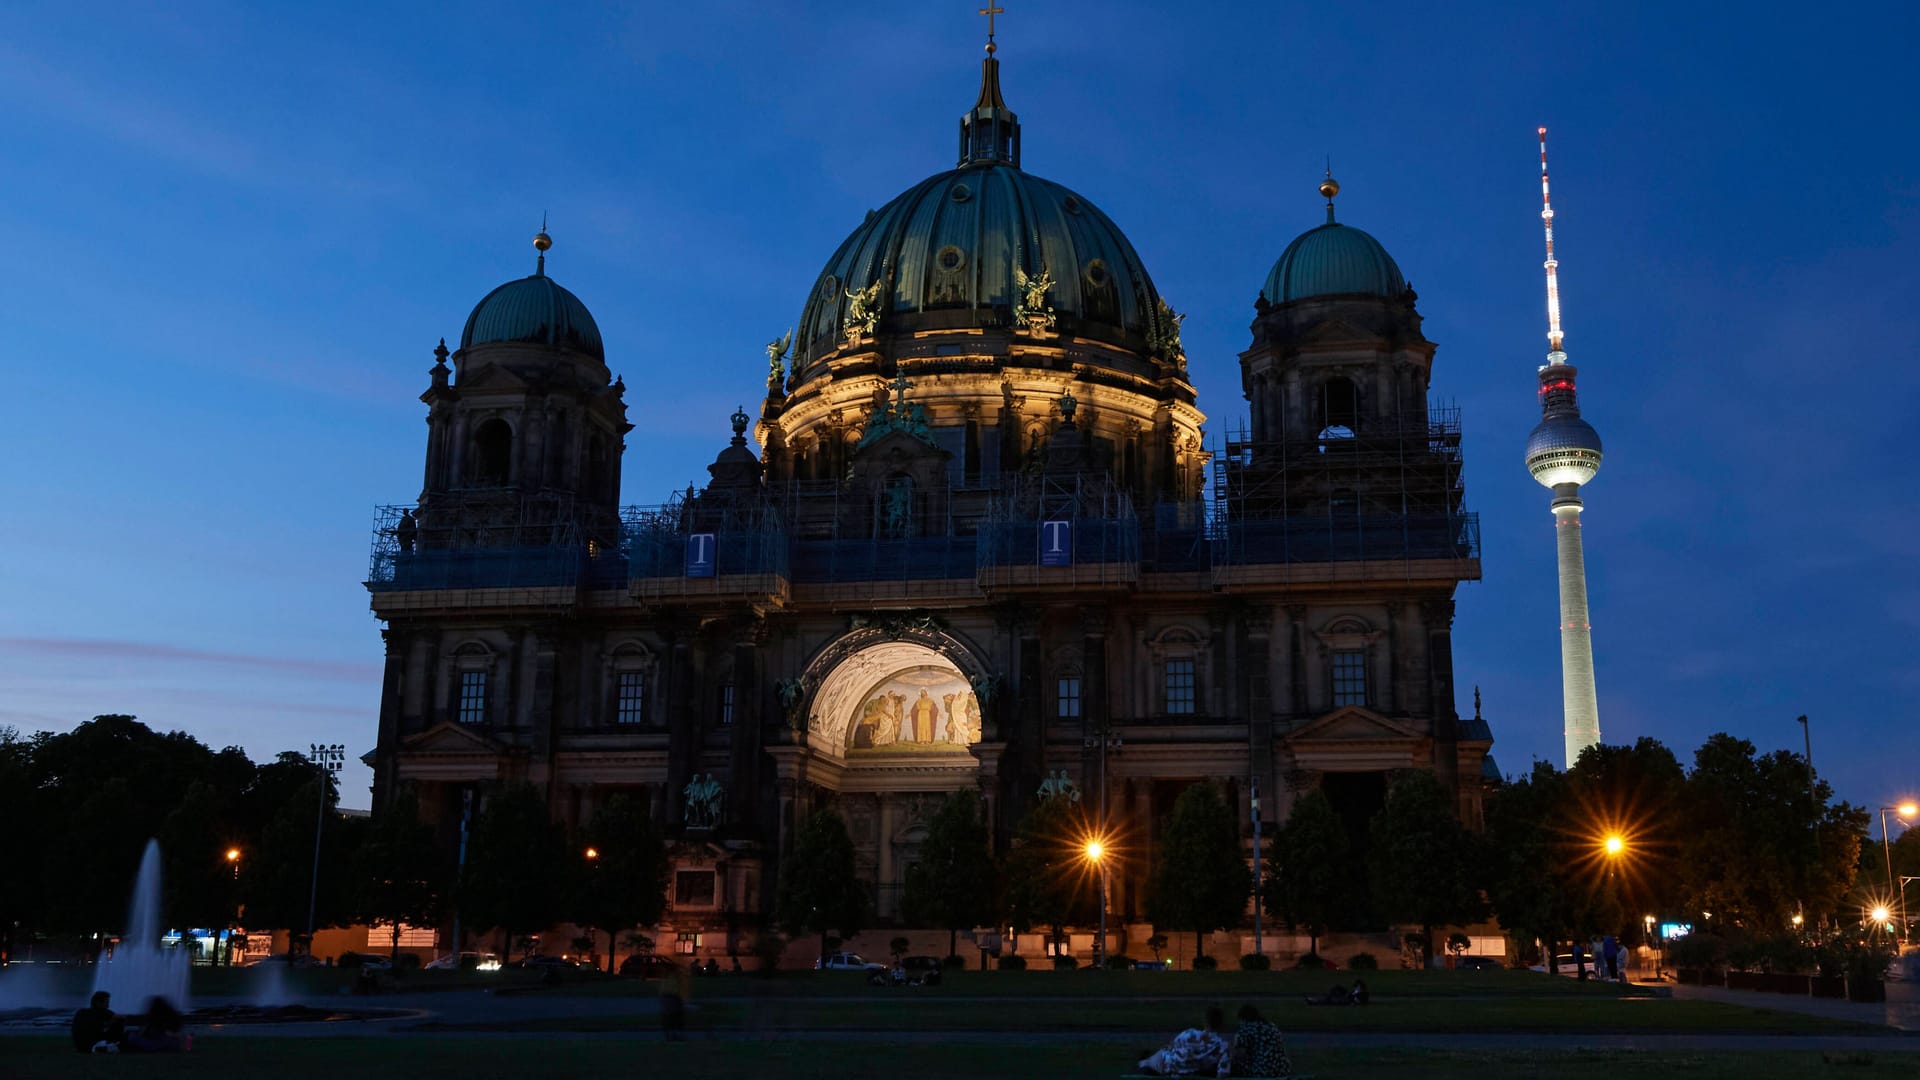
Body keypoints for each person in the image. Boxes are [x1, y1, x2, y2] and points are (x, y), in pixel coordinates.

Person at [1137, 1005, 1231, 1076]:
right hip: (1182, 1070)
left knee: (1148, 1061)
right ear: (1222, 1024)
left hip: (1168, 1065)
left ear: (1205, 1021)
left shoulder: (1190, 1033)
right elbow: (1222, 1073)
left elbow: (1171, 1046)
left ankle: (1142, 1062)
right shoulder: (1223, 1046)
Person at [1226, 1003, 1290, 1077]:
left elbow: (1240, 1053)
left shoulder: (1246, 1029)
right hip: (1281, 1069)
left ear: (1242, 1018)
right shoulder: (1272, 1026)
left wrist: (1231, 1048)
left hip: (1262, 1070)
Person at [123, 996, 189, 1053]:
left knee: (132, 1037)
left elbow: (144, 1032)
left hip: (155, 1044)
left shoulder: (157, 1021)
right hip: (165, 1043)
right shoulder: (172, 1019)